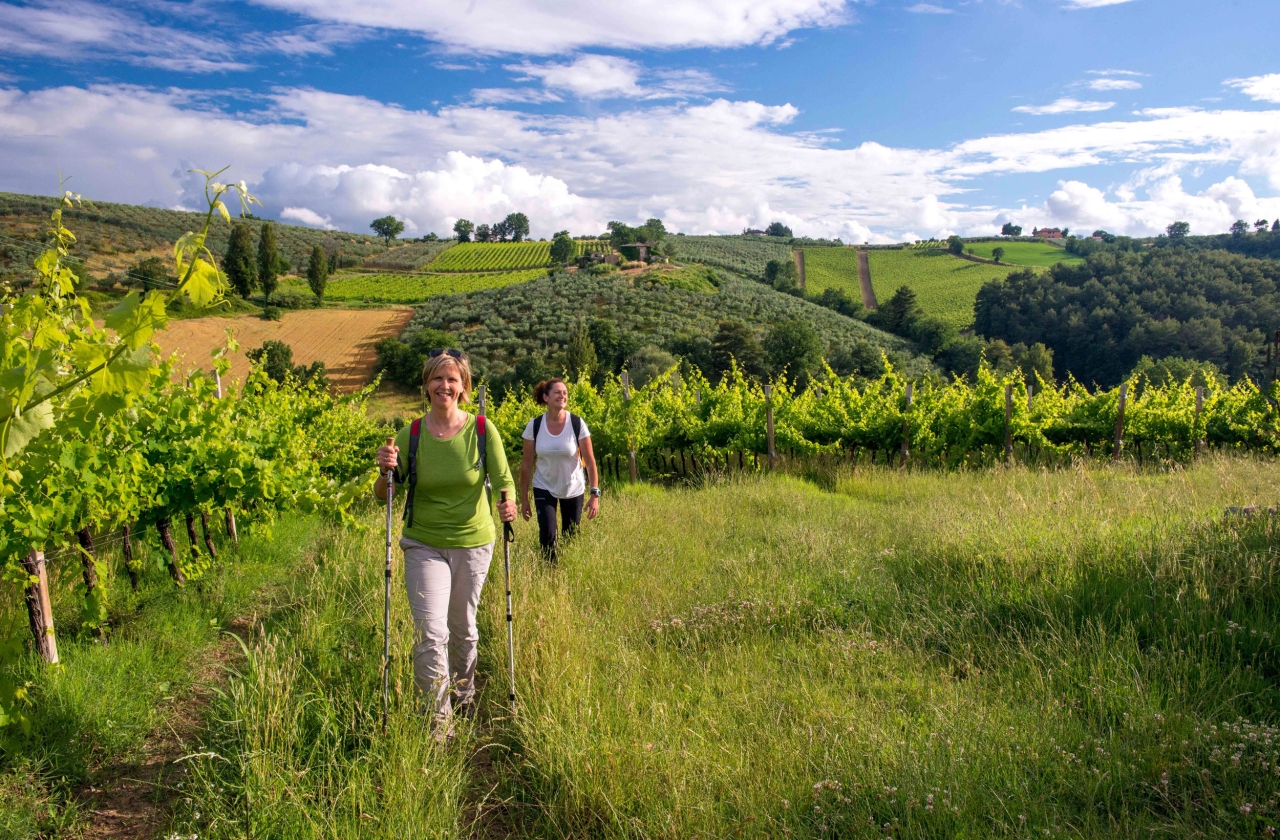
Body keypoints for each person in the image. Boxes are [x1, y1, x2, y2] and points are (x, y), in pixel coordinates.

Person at [375, 349, 516, 732]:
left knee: (463, 626)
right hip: (424, 543)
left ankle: (464, 693)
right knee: (430, 631)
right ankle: (438, 724)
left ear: (464, 387)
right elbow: (385, 493)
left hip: (474, 542)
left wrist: (509, 504)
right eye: (437, 378)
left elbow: (504, 480)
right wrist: (385, 469)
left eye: (452, 379)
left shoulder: (482, 430)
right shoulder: (412, 434)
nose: (445, 385)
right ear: (426, 385)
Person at [519, 378, 600, 563]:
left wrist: (594, 495)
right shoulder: (535, 425)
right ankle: (550, 573)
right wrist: (524, 499)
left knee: (570, 535)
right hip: (543, 485)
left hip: (572, 486)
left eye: (565, 393)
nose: (562, 395)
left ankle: (568, 569)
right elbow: (526, 464)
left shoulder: (577, 423)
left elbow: (590, 460)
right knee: (547, 533)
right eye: (557, 392)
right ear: (546, 397)